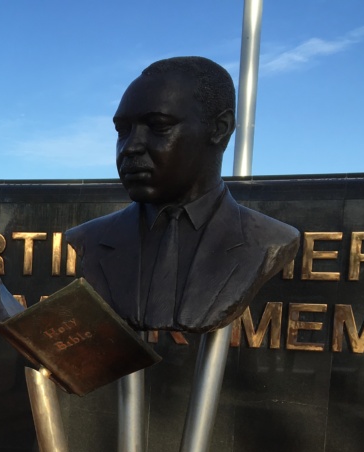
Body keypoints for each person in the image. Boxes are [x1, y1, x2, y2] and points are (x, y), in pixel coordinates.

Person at [65, 56, 299, 334]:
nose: (130, 148)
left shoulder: (270, 240)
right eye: (122, 131)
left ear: (219, 129)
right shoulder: (89, 239)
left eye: (159, 126)